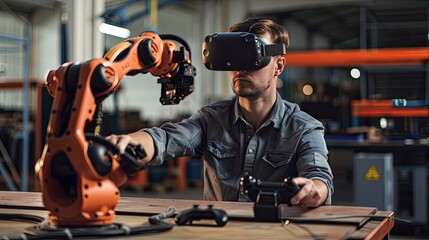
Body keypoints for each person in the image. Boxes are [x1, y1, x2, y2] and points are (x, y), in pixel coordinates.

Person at [107, 17, 334, 208]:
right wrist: (129, 142)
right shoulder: (211, 119)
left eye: (252, 57)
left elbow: (319, 178)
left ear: (279, 66)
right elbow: (166, 138)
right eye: (233, 58)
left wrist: (313, 189)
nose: (240, 68)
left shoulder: (303, 128)